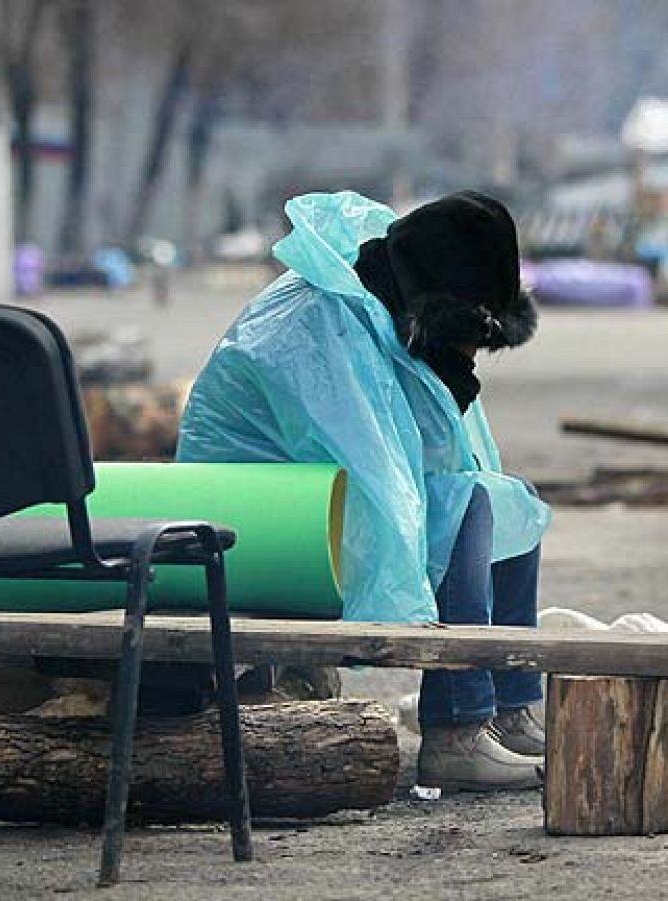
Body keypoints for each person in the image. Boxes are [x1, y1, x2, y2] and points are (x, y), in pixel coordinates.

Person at [178, 190, 552, 791]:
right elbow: (378, 474)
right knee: (471, 508)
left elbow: (410, 460)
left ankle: (510, 710)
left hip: (312, 502)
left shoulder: (377, 307)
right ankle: (458, 732)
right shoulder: (322, 326)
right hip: (251, 526)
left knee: (511, 505)